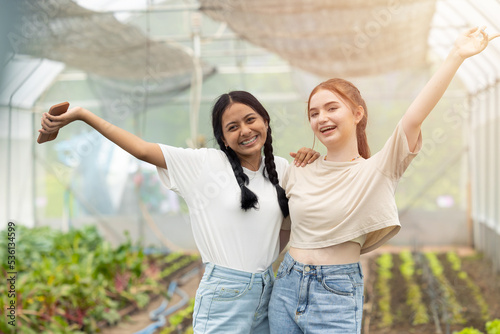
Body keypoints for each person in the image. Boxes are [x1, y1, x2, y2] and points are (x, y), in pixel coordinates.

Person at [268, 27, 499, 333]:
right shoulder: (299, 168)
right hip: (285, 284)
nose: (321, 118)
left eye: (332, 108)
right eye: (314, 113)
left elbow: (414, 117)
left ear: (357, 114)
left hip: (334, 292)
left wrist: (456, 55)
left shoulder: (378, 169)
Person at [38, 90, 320, 334]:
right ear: (222, 138)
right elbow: (142, 149)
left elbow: (287, 225)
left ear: (265, 121)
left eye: (250, 120)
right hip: (225, 293)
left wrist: (314, 160)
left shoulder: (281, 169)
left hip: (266, 289)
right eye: (232, 127)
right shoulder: (203, 164)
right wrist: (83, 115)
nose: (245, 131)